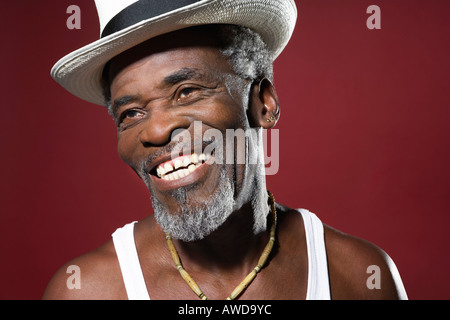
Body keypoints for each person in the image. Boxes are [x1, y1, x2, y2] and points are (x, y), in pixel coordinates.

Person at [43, 0, 407, 300]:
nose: (154, 131)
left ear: (263, 103)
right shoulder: (88, 291)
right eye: (131, 113)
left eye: (187, 91)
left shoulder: (358, 278)